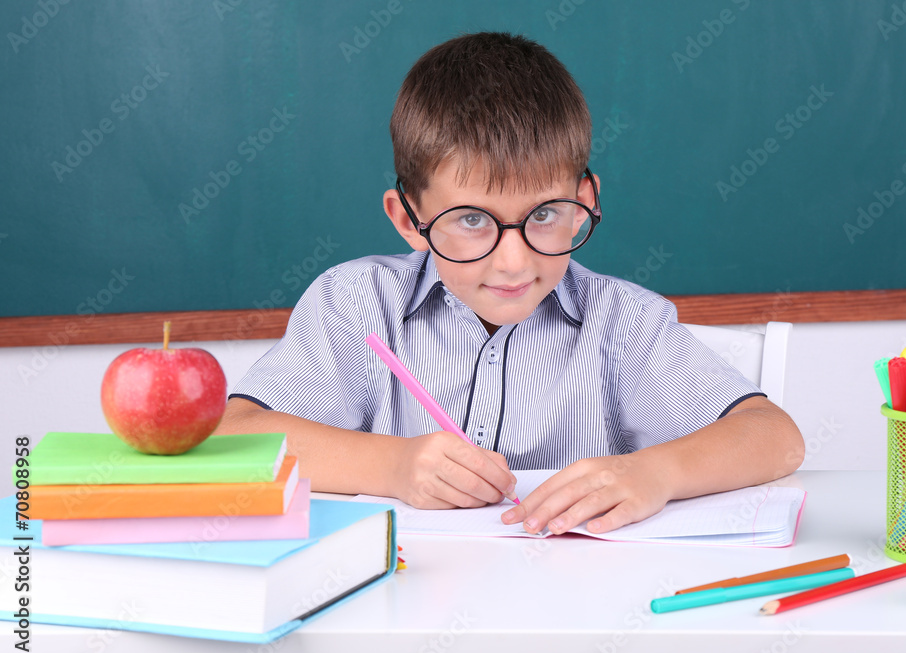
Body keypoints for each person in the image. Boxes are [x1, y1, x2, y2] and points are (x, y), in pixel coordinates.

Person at [218, 32, 804, 536]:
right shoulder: (354, 305)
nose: (514, 263)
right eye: (471, 221)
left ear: (584, 203)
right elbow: (234, 437)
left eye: (545, 215)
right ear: (408, 220)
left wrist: (656, 473)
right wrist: (392, 466)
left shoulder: (622, 322)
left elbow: (775, 438)